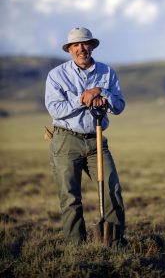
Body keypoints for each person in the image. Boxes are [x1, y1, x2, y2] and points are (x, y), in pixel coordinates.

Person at [45, 27, 126, 245]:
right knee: (70, 197)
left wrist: (101, 92)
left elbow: (119, 106)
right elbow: (55, 109)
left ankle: (114, 243)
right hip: (66, 140)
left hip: (96, 139)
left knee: (112, 190)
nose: (81, 49)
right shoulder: (57, 75)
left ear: (92, 46)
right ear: (69, 49)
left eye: (85, 44)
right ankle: (76, 248)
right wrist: (83, 98)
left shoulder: (107, 73)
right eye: (76, 45)